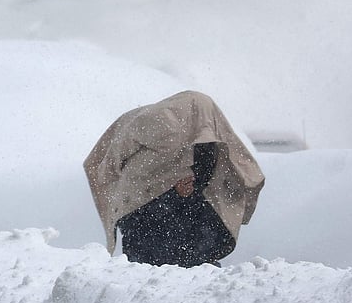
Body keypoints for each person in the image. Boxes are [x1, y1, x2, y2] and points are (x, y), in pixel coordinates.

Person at [83, 91, 265, 268]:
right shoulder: (162, 123)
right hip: (141, 206)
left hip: (176, 211)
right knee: (149, 261)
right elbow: (115, 166)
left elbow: (236, 168)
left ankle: (194, 270)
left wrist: (184, 193)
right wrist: (173, 193)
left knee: (188, 246)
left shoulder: (206, 141)